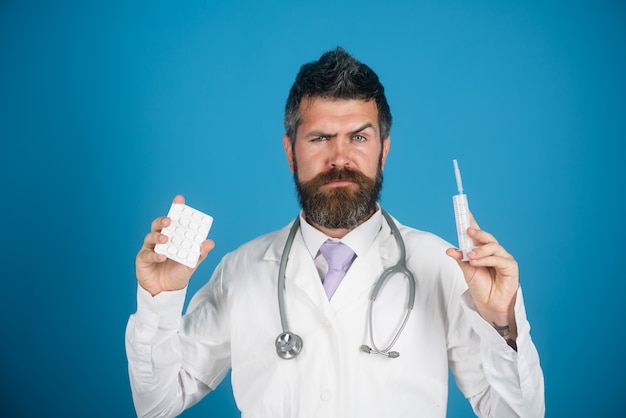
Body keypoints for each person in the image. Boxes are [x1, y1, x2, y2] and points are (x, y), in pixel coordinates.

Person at [126, 47, 544, 417]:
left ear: (384, 150)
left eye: (359, 137)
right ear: (290, 152)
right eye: (320, 138)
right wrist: (159, 300)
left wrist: (502, 323)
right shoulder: (242, 271)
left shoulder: (441, 266)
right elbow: (158, 403)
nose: (339, 158)